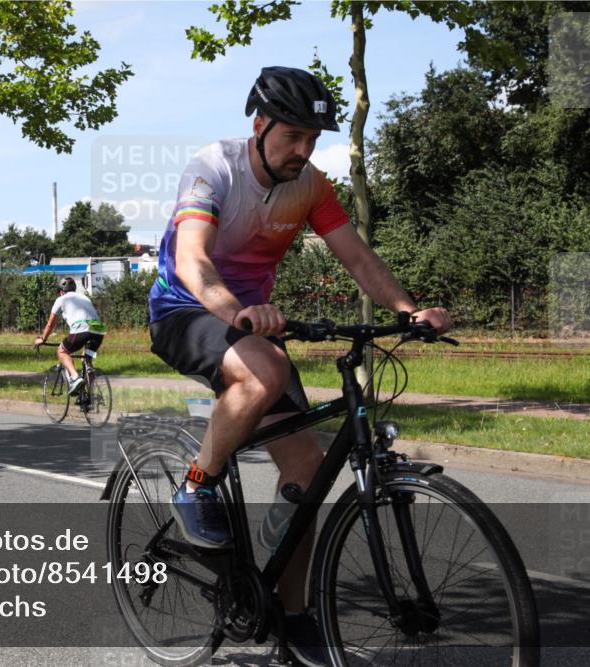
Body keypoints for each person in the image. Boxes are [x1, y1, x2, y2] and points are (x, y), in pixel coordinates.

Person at [147, 66, 452, 666]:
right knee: (265, 370)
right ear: (259, 125)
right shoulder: (214, 168)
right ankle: (197, 483)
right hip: (186, 312)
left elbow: (359, 259)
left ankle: (289, 613)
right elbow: (193, 264)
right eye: (293, 136)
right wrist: (238, 313)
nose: (304, 150)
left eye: (314, 138)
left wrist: (408, 310)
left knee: (309, 471)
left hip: (251, 324)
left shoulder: (311, 185)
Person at [34, 277, 107, 396]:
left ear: (62, 291)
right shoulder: (84, 297)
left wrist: (43, 339)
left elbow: (50, 323)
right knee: (86, 359)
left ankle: (75, 377)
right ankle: (91, 395)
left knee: (62, 351)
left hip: (81, 329)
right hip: (99, 330)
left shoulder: (61, 299)